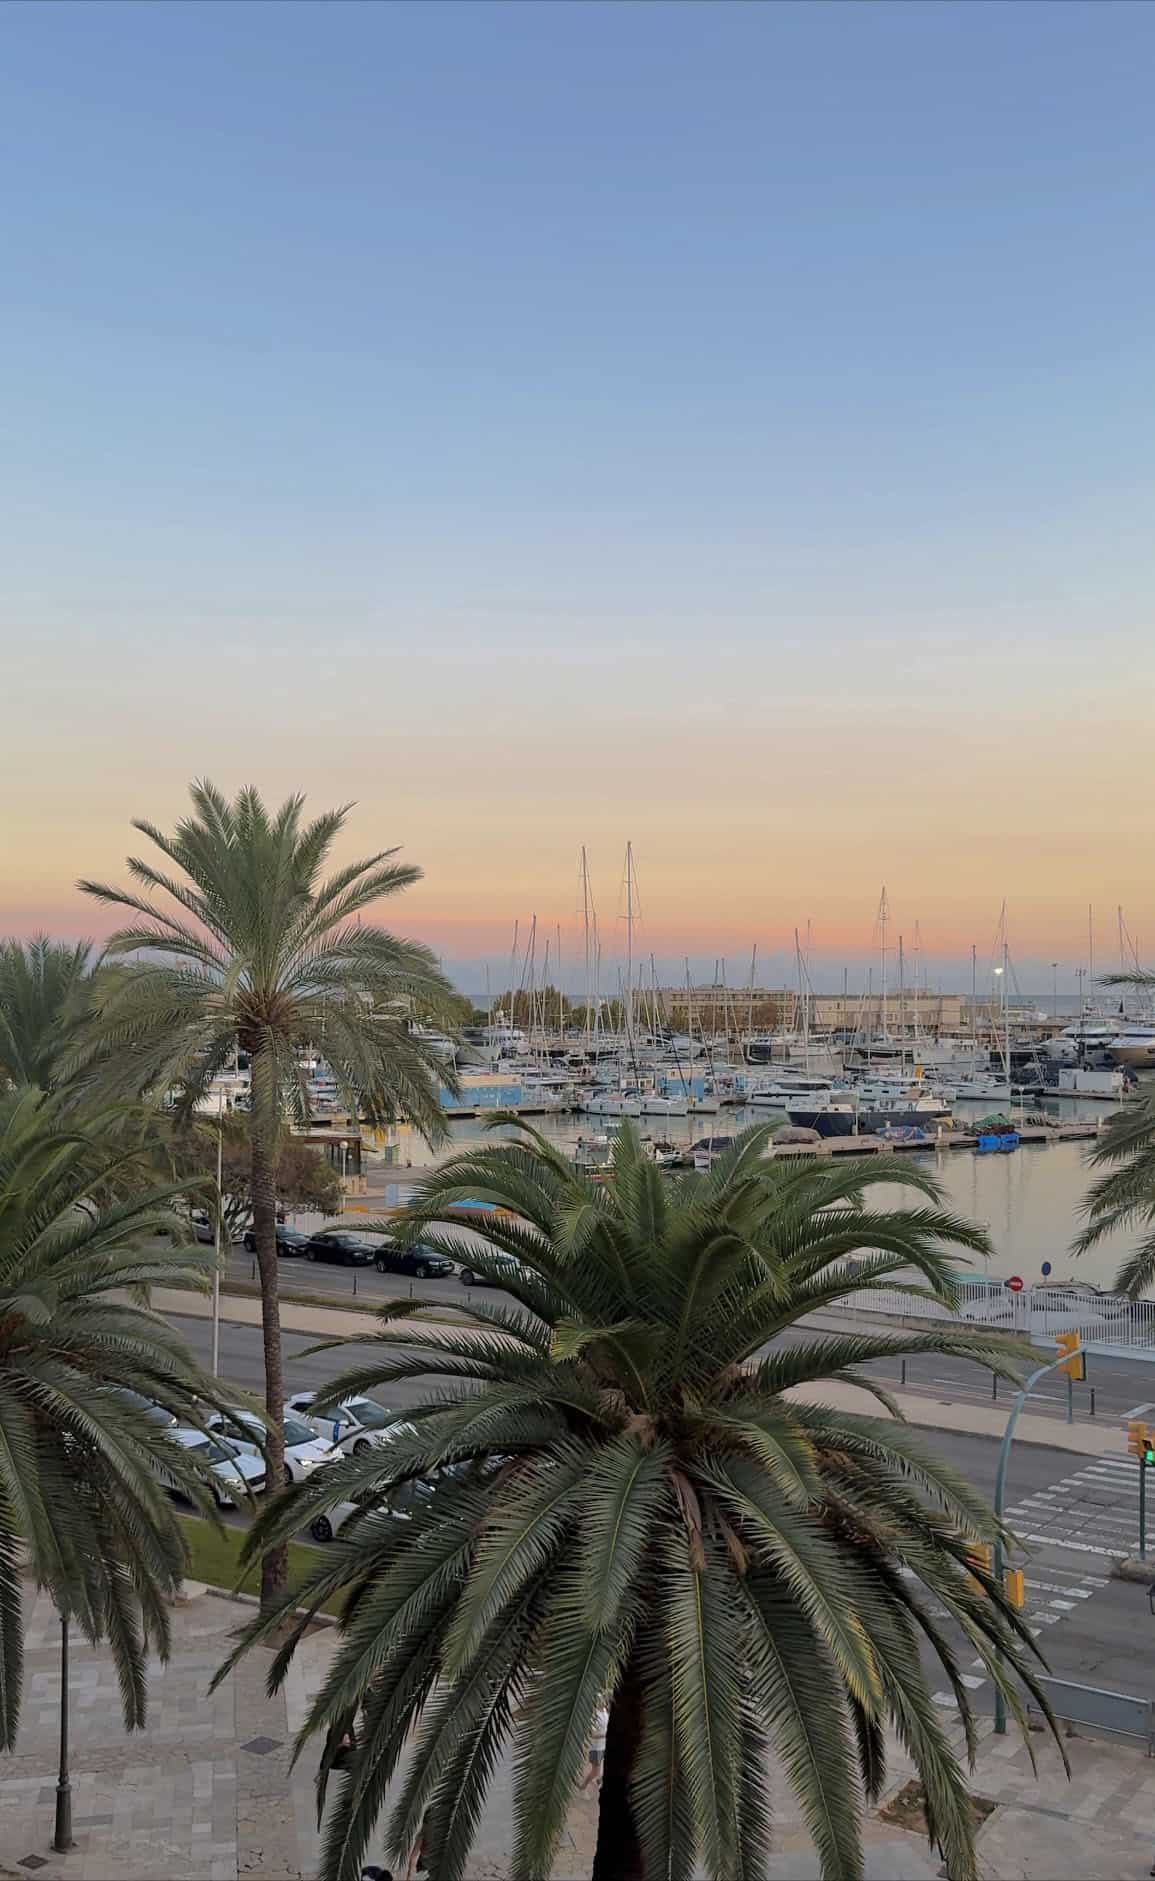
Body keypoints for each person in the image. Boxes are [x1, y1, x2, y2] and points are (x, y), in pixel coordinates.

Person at [577, 1703, 610, 1792]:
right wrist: (606, 1735)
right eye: (601, 1700)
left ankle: (599, 1781)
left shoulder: (605, 1711)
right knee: (595, 1772)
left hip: (603, 1746)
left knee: (601, 1768)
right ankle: (583, 1786)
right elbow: (592, 1734)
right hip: (596, 1748)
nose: (604, 1701)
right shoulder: (595, 1716)